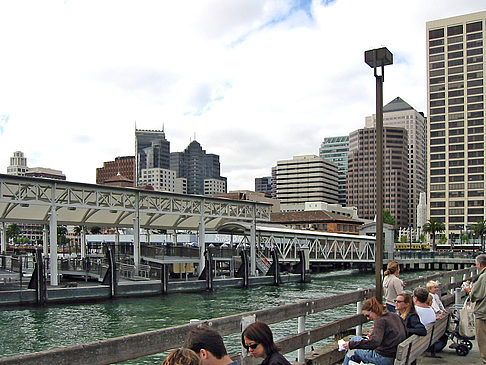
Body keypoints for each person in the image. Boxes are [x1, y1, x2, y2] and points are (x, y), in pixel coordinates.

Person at [342, 297, 407, 365]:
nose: (368, 318)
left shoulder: (380, 321)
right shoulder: (394, 316)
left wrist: (351, 344)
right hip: (394, 355)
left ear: (373, 310)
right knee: (353, 350)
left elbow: (374, 343)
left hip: (383, 358)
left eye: (368, 315)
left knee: (354, 341)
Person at [464, 253, 486, 364]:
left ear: (480, 264)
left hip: (483, 313)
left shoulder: (483, 277)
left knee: (483, 340)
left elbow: (475, 295)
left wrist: (468, 291)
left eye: (476, 264)